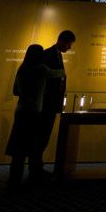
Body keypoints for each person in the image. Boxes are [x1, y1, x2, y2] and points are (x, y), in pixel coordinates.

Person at [6, 44, 65, 189]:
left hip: (20, 111)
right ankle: (34, 176)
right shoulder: (41, 69)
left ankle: (14, 179)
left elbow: (16, 90)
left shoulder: (22, 68)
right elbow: (58, 73)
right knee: (33, 146)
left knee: (18, 148)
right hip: (33, 112)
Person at [32, 29, 76, 180]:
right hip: (46, 104)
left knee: (44, 135)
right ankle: (35, 168)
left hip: (51, 103)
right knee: (41, 135)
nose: (69, 48)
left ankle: (37, 167)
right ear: (63, 40)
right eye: (69, 44)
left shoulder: (56, 55)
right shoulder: (49, 54)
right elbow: (49, 78)